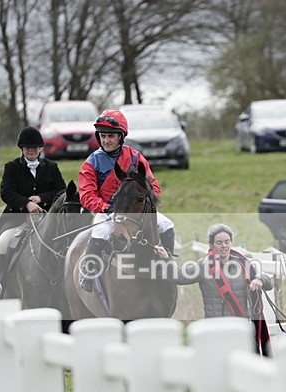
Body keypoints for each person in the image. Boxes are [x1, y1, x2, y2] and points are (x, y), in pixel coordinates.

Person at [78, 109, 175, 291]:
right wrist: (106, 207)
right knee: (100, 233)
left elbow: (153, 186)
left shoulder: (135, 157)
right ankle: (88, 273)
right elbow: (86, 195)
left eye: (111, 136)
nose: (106, 140)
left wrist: (144, 202)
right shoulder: (91, 163)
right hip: (107, 212)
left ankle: (167, 263)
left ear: (121, 137)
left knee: (167, 225)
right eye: (103, 136)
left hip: (136, 212)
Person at [0, 126, 66, 300]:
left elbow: (61, 192)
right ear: (22, 149)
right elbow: (6, 192)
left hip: (47, 218)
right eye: (28, 148)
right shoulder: (12, 167)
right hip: (17, 218)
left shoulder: (51, 167)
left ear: (39, 149)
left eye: (34, 147)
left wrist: (41, 199)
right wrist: (26, 204)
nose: (31, 151)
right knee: (3, 242)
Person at [172, 223, 274, 356]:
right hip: (216, 329)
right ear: (211, 245)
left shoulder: (243, 264)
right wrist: (164, 259)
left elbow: (270, 283)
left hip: (241, 328)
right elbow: (179, 277)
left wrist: (260, 279)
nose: (224, 246)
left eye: (227, 242)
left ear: (231, 242)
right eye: (219, 242)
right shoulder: (203, 266)